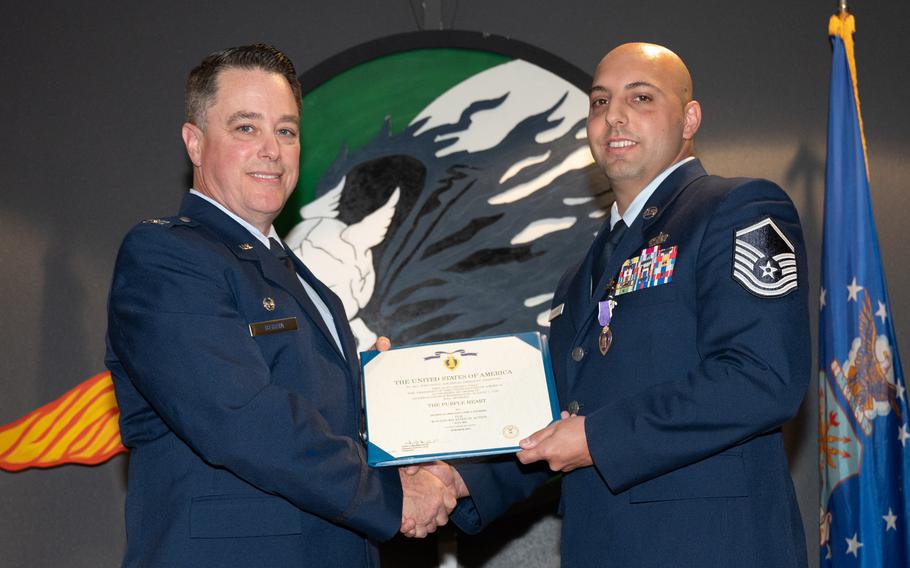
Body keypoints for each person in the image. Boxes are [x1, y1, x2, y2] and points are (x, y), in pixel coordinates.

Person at [416, 42, 810, 566]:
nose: (615, 116)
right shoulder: (581, 274)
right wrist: (456, 478)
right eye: (599, 102)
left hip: (709, 548)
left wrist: (597, 438)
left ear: (689, 117)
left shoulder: (737, 209)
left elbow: (761, 377)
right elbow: (556, 422)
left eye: (641, 97)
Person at [105, 43, 453, 567]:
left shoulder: (307, 281)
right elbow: (242, 416)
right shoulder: (166, 257)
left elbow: (330, 422)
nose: (271, 148)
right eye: (246, 128)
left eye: (286, 131)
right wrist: (391, 496)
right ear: (194, 143)